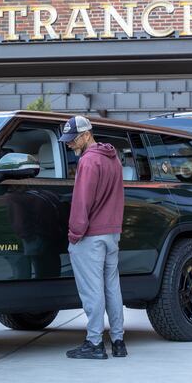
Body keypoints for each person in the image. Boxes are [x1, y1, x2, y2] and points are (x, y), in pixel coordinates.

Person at [58, 115, 127, 360]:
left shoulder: (88, 162)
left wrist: (74, 235)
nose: (70, 144)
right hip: (112, 234)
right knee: (112, 287)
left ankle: (94, 343)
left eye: (73, 139)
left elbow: (81, 203)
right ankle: (118, 341)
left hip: (90, 236)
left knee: (92, 291)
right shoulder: (113, 159)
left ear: (87, 134)